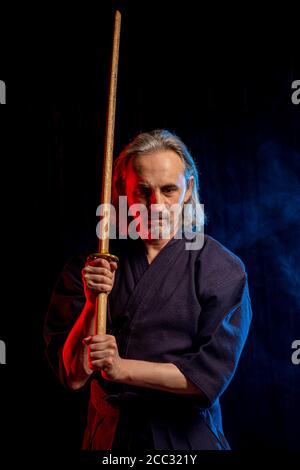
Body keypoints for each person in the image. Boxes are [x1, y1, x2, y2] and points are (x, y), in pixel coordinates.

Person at [44, 129, 252, 450]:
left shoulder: (222, 269)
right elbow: (72, 376)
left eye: (169, 190)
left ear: (188, 190)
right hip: (110, 441)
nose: (156, 205)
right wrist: (91, 302)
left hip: (186, 440)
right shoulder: (90, 269)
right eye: (142, 191)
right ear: (120, 190)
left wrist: (121, 368)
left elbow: (206, 379)